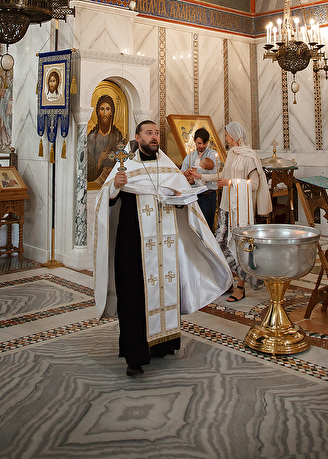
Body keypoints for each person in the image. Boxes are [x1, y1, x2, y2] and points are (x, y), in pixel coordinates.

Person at [94, 120, 232, 376]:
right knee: (134, 294)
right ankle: (135, 356)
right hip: (133, 242)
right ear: (138, 138)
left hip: (165, 243)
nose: (154, 137)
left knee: (165, 288)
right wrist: (115, 186)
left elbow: (183, 200)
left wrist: (180, 199)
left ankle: (162, 344)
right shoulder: (126, 167)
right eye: (149, 133)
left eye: (156, 133)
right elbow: (104, 199)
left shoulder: (168, 166)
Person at [191, 121, 271, 303]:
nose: (226, 139)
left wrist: (231, 183)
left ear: (235, 136)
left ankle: (240, 287)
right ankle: (227, 281)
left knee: (240, 247)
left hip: (241, 210)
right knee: (220, 244)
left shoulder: (249, 157)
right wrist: (200, 176)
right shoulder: (232, 154)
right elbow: (222, 177)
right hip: (226, 206)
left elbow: (254, 184)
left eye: (227, 135)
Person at [180, 127, 218, 233]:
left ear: (208, 142)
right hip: (193, 194)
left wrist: (196, 172)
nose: (201, 146)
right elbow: (182, 174)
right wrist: (187, 175)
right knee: (193, 225)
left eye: (204, 143)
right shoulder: (189, 157)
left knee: (207, 226)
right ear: (194, 140)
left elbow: (215, 173)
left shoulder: (212, 155)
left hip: (208, 193)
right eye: (199, 143)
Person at [87, 94, 124, 183]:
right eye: (102, 109)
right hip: (94, 182)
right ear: (98, 112)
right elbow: (87, 165)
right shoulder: (91, 137)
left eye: (107, 109)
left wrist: (113, 168)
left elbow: (122, 158)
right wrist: (100, 159)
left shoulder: (117, 136)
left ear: (111, 112)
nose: (104, 113)